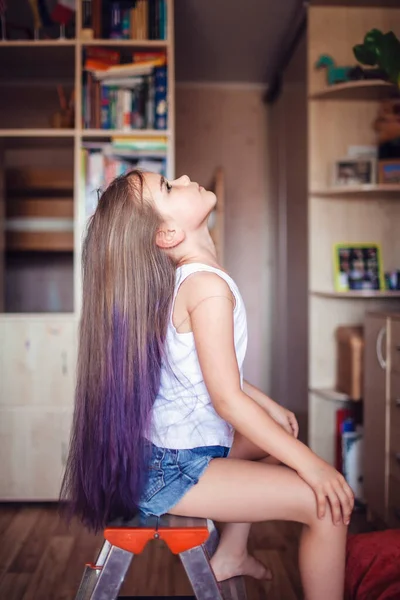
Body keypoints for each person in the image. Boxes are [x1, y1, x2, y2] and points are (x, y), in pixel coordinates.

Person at [61, 170, 354, 600]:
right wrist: (315, 466)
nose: (182, 176)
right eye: (167, 187)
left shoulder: (187, 281)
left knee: (279, 434)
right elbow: (227, 399)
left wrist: (267, 404)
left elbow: (202, 371)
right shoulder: (206, 287)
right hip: (173, 469)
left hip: (166, 457)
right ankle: (246, 543)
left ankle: (232, 551)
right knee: (327, 509)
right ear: (168, 233)